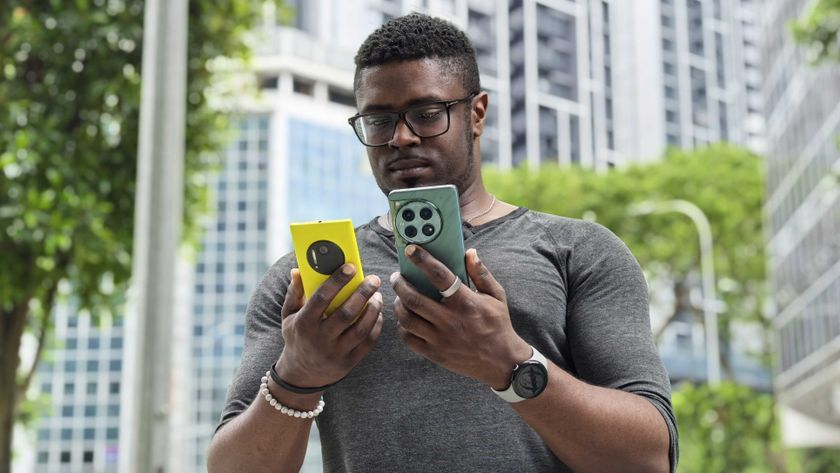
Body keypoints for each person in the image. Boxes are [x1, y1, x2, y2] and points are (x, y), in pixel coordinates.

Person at [207, 13, 677, 473]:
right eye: (379, 122)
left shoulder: (580, 252)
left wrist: (509, 362)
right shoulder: (304, 282)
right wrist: (297, 377)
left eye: (427, 114)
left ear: (476, 113)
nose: (402, 138)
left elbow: (650, 459)